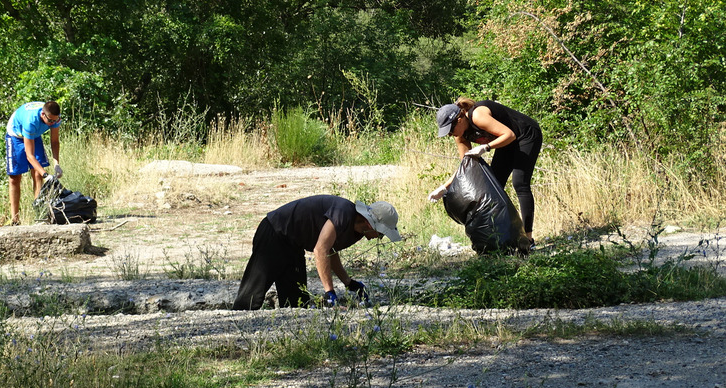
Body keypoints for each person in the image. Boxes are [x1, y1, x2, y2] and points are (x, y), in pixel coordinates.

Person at [232, 195, 402, 310]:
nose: (379, 238)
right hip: (274, 232)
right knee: (251, 296)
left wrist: (349, 282)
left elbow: (331, 252)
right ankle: (235, 330)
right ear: (370, 224)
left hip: (293, 245)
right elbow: (320, 250)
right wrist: (330, 293)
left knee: (296, 305)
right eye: (381, 233)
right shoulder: (343, 213)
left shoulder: (356, 232)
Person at [429, 97, 542, 244]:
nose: (451, 135)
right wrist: (444, 187)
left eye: (450, 130)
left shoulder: (478, 116)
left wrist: (485, 147)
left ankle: (528, 239)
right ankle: (503, 239)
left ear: (460, 119)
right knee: (493, 186)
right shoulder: (460, 136)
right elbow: (465, 167)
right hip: (506, 143)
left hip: (526, 134)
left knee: (520, 183)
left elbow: (509, 135)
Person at [5, 100, 63, 225]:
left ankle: (40, 216)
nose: (53, 123)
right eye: (51, 121)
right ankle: (15, 219)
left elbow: (54, 141)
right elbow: (29, 156)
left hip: (34, 135)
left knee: (37, 174)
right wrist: (47, 175)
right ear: (43, 115)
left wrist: (56, 164)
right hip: (16, 134)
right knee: (15, 177)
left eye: (55, 120)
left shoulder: (55, 118)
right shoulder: (31, 121)